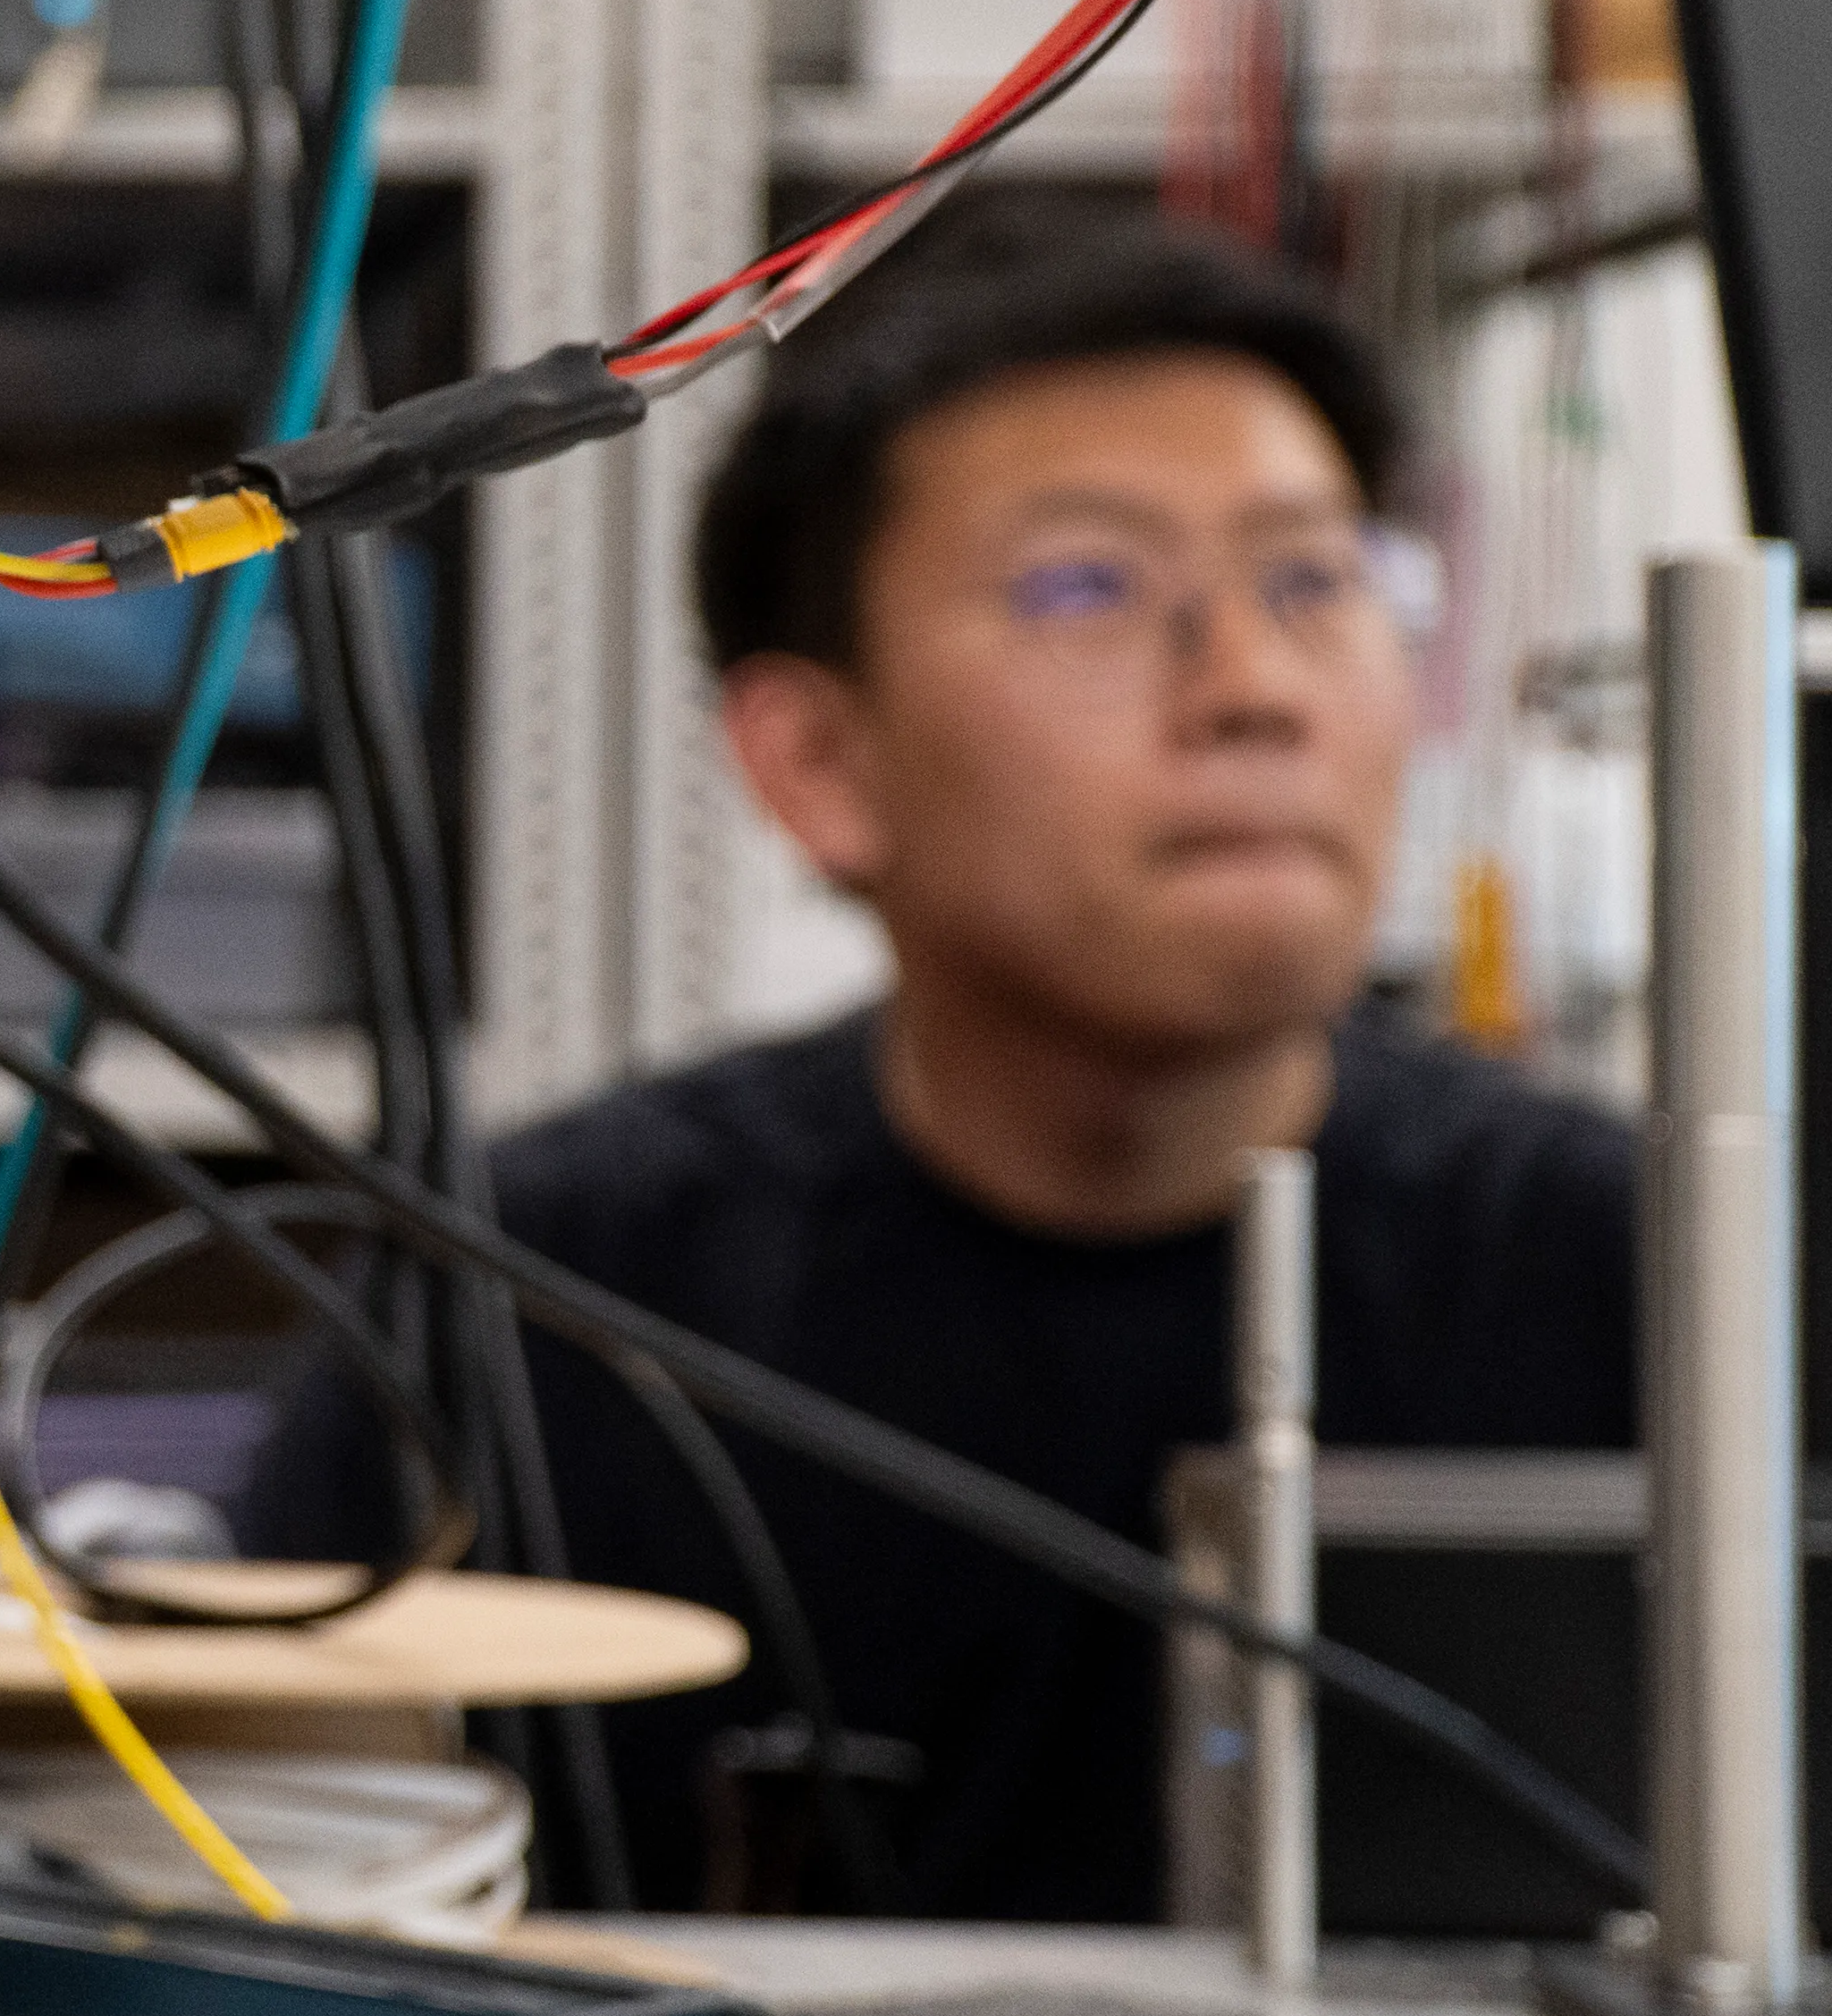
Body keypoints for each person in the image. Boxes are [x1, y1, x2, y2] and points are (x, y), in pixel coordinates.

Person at [452, 202, 1630, 1921]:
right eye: (1089, 587)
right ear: (817, 763)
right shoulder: (536, 1307)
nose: (1253, 688)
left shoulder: (1635, 1289)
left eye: (1316, 579)